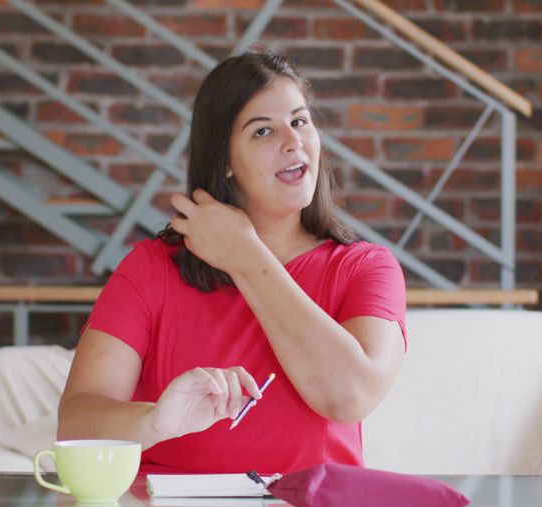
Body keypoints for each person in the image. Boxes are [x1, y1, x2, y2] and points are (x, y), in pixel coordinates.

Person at [57, 51, 407, 475]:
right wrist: (153, 422)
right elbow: (74, 424)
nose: (292, 141)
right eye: (262, 131)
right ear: (224, 161)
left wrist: (246, 255)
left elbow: (349, 396)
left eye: (300, 121)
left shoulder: (366, 268)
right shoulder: (151, 268)